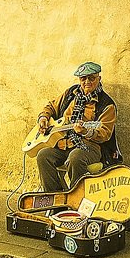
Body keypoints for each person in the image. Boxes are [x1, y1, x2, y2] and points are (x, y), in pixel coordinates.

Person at [35, 61, 120, 193]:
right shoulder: (70, 93)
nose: (87, 81)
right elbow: (51, 106)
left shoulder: (107, 105)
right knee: (43, 155)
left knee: (75, 158)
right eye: (83, 78)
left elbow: (105, 134)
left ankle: (78, 198)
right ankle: (54, 198)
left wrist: (86, 132)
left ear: (99, 78)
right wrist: (43, 118)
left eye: (92, 78)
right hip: (65, 143)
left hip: (89, 146)